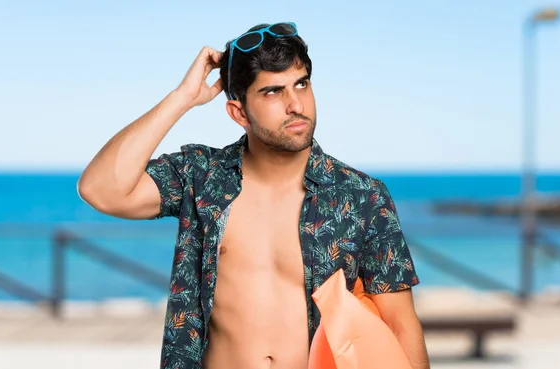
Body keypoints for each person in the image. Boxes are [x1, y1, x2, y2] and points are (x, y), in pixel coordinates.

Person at [77, 22, 430, 369]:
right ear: (238, 112)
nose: (296, 105)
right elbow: (101, 190)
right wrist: (181, 99)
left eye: (301, 84)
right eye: (273, 92)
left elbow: (400, 324)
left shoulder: (361, 196)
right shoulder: (202, 176)